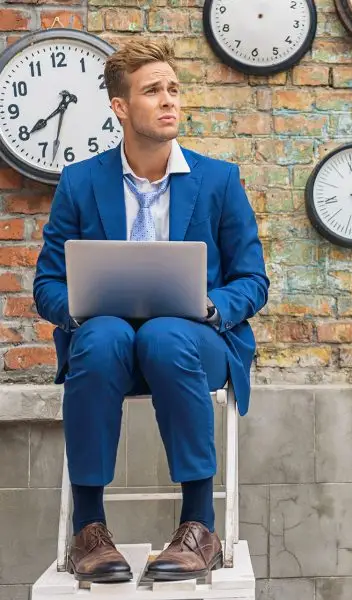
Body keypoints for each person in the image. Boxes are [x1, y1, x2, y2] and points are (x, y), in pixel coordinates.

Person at [33, 38, 269, 583]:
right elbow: (47, 281)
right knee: (102, 336)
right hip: (107, 345)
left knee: (165, 334)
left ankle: (198, 526)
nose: (169, 101)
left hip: (194, 342)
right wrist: (76, 309)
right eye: (152, 91)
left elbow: (253, 280)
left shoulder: (218, 180)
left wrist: (212, 305)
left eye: (173, 89)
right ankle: (89, 530)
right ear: (120, 107)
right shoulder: (81, 182)